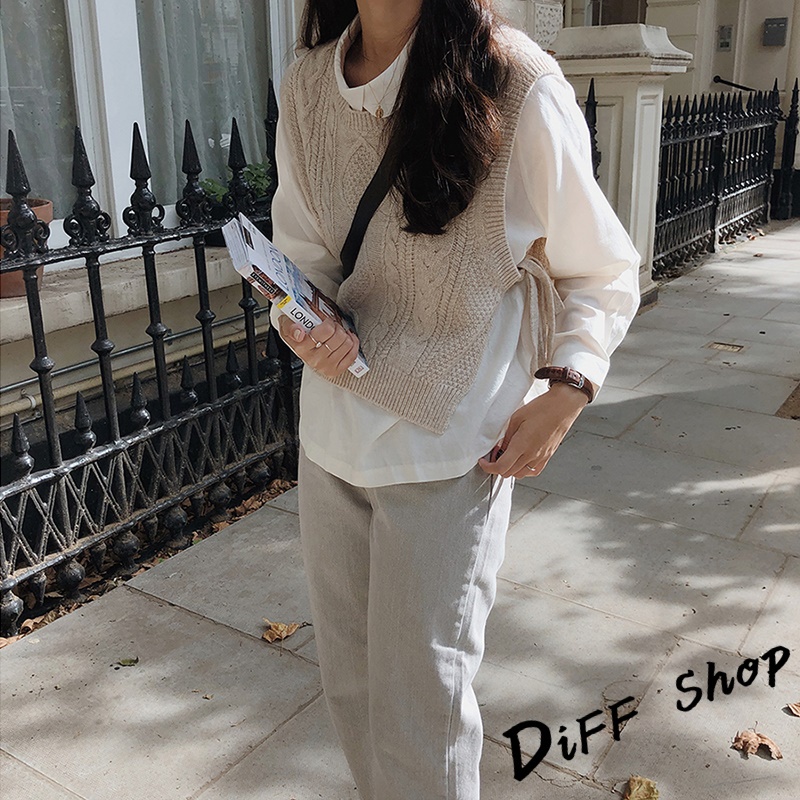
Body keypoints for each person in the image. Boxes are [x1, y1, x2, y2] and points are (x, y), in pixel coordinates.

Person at [268, 1, 640, 798]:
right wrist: (301, 319)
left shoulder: (518, 83)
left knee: (420, 712)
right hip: (332, 431)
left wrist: (568, 387)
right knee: (352, 691)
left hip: (449, 444)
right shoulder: (306, 85)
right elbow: (304, 253)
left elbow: (602, 267)